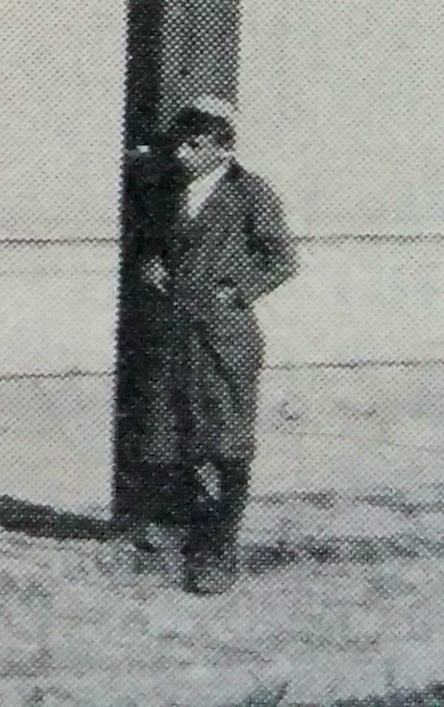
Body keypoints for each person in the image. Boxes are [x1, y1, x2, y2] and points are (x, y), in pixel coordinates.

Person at [128, 94, 296, 594]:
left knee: (226, 444)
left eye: (195, 144)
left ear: (223, 149)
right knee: (172, 432)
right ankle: (180, 527)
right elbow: (158, 245)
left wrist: (237, 288)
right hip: (177, 333)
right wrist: (152, 265)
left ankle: (219, 549)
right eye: (181, 141)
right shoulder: (173, 191)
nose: (182, 152)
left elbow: (282, 258)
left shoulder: (250, 193)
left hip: (225, 339)